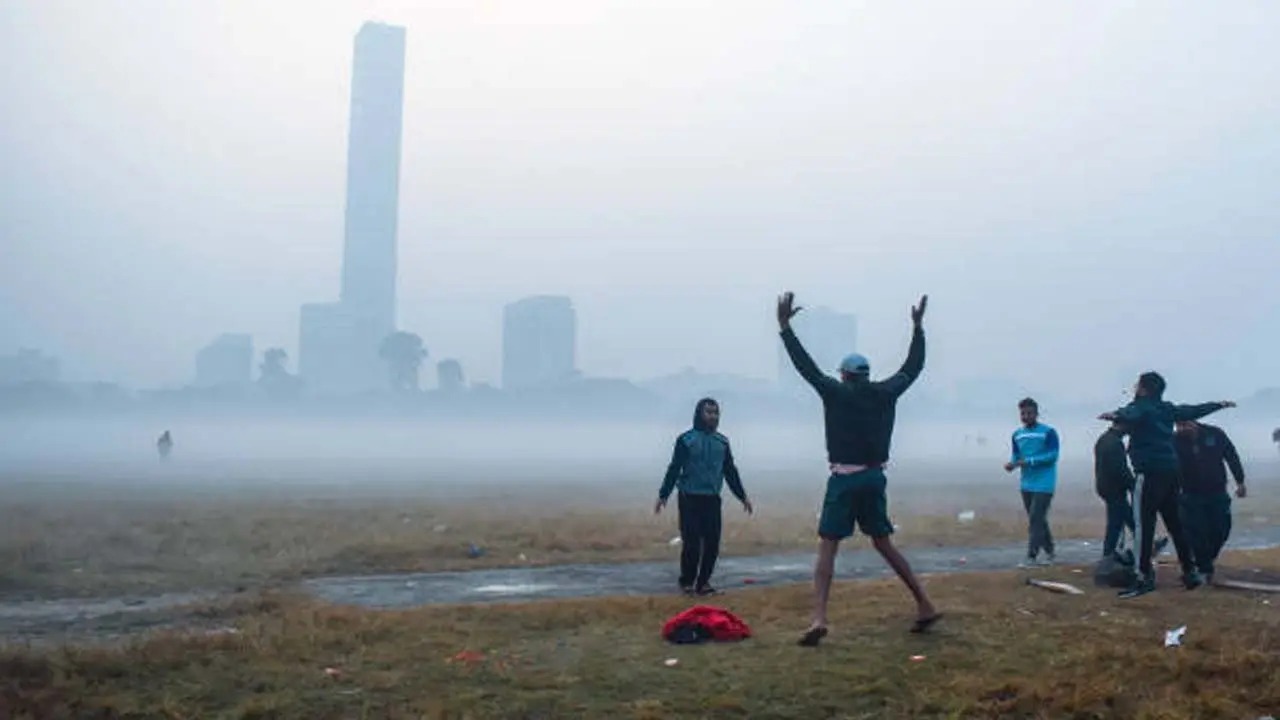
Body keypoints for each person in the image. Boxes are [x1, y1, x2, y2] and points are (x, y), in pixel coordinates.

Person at [778, 291, 940, 646]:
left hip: (844, 479)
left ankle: (819, 617)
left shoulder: (836, 392)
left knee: (828, 548)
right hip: (875, 477)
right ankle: (925, 604)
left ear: (845, 375)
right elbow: (912, 368)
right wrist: (918, 329)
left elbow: (806, 368)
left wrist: (785, 328)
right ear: (865, 375)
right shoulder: (886, 392)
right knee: (883, 543)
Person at [1099, 371, 1235, 598]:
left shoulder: (1142, 406)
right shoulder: (1166, 408)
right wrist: (1218, 404)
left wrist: (1114, 414)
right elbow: (1192, 410)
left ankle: (1143, 578)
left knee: (1143, 526)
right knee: (1175, 524)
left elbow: (1131, 413)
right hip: (1171, 473)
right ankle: (1190, 572)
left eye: (1137, 386)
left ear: (1143, 388)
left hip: (1149, 473)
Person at [655, 398, 753, 596]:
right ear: (699, 414)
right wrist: (663, 494)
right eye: (708, 412)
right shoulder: (686, 440)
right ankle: (687, 581)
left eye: (716, 413)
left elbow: (730, 471)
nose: (712, 416)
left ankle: (704, 582)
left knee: (712, 543)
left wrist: (742, 496)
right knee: (691, 543)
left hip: (712, 498)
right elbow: (674, 468)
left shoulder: (722, 442)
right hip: (689, 497)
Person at [1175, 419, 1246, 585]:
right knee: (1196, 532)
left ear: (1194, 423)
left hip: (1217, 491)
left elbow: (1231, 455)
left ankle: (1205, 560)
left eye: (1184, 425)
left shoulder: (1215, 434)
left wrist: (1240, 481)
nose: (1181, 429)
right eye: (1178, 426)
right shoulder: (1174, 441)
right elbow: (1168, 465)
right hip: (1190, 494)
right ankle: (1204, 568)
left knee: (1222, 528)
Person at [1005, 398, 1060, 567]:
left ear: (1036, 413)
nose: (1026, 416)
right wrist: (1012, 464)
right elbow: (1017, 455)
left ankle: (1031, 556)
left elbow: (1052, 455)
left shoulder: (1048, 432)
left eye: (1029, 413)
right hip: (1026, 483)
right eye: (1023, 413)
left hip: (1044, 483)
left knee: (1036, 519)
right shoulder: (1017, 434)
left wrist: (1030, 461)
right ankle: (1050, 551)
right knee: (1038, 519)